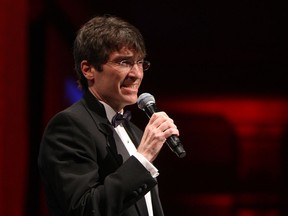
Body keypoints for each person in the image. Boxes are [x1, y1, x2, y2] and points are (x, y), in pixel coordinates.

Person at [38, 14, 180, 216]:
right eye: (124, 62)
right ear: (88, 70)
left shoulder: (136, 134)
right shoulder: (69, 126)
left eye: (140, 62)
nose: (136, 74)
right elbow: (85, 209)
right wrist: (143, 158)